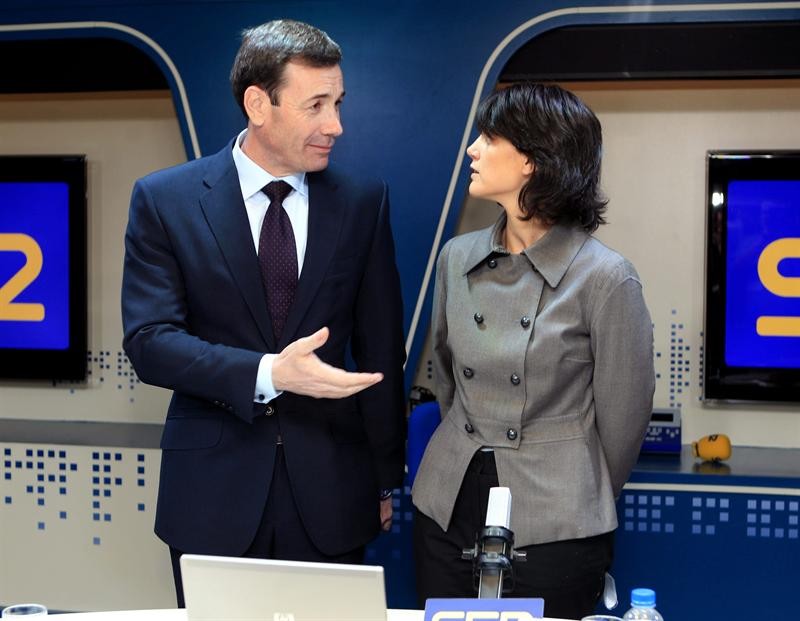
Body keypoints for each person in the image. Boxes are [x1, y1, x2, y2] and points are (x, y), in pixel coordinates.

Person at [121, 19, 406, 606]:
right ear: (258, 104)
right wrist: (270, 373)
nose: (335, 125)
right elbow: (150, 341)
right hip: (211, 496)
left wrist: (384, 480)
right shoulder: (166, 200)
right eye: (316, 105)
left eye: (338, 104)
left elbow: (381, 349)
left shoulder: (362, 202)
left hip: (334, 492)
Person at [412, 83, 655, 619]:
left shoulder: (607, 277)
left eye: (489, 137)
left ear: (533, 160)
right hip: (448, 502)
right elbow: (447, 380)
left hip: (557, 516)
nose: (472, 149)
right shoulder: (456, 258)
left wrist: (579, 486)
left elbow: (624, 421)